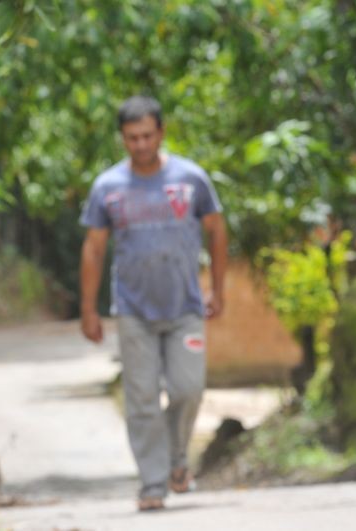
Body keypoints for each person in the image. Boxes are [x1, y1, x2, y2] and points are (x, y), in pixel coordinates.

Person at [79, 95, 228, 511]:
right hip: (132, 311)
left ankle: (178, 461)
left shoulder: (191, 179)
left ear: (160, 133)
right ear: (122, 139)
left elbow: (217, 231)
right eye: (132, 138)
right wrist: (89, 310)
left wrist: (219, 288)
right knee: (141, 398)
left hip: (185, 308)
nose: (141, 144)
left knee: (188, 388)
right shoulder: (107, 188)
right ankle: (153, 482)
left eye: (147, 135)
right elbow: (93, 250)